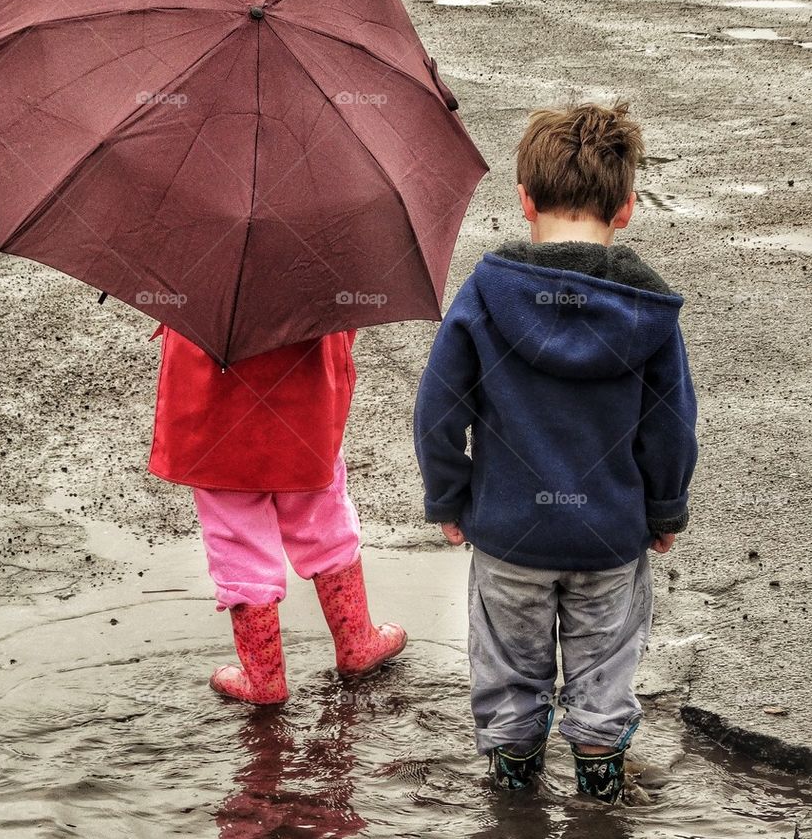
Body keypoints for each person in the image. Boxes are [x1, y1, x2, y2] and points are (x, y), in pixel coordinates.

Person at [413, 100, 698, 802]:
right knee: (606, 669)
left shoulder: (484, 297)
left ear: (524, 200)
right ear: (626, 208)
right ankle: (599, 792)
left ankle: (514, 795)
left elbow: (439, 413)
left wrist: (449, 497)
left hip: (510, 537)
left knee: (509, 670)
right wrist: (664, 510)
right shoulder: (648, 314)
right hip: (609, 536)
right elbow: (671, 427)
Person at [146, 326, 406, 703]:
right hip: (304, 397)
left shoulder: (200, 281)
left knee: (236, 535)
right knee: (321, 513)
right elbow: (346, 317)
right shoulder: (319, 267)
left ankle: (264, 680)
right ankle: (356, 642)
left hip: (216, 410)